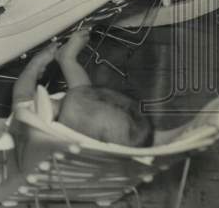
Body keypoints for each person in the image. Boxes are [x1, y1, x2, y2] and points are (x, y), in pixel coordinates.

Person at [12, 28, 154, 147]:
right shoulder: (74, 111)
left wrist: (34, 66)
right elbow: (81, 91)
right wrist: (68, 60)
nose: (51, 102)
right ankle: (67, 59)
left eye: (59, 110)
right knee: (82, 93)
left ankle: (67, 59)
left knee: (80, 94)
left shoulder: (36, 127)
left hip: (18, 138)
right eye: (61, 99)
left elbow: (21, 95)